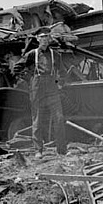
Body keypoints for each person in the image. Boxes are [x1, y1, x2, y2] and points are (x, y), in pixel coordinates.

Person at [13, 27, 67, 158]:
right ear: (37, 39)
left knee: (59, 118)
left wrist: (60, 84)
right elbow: (17, 68)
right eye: (42, 37)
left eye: (46, 37)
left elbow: (63, 72)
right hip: (37, 87)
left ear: (49, 39)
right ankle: (38, 150)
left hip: (52, 87)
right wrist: (30, 80)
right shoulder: (32, 54)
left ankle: (61, 150)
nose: (44, 39)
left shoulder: (56, 55)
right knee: (37, 119)